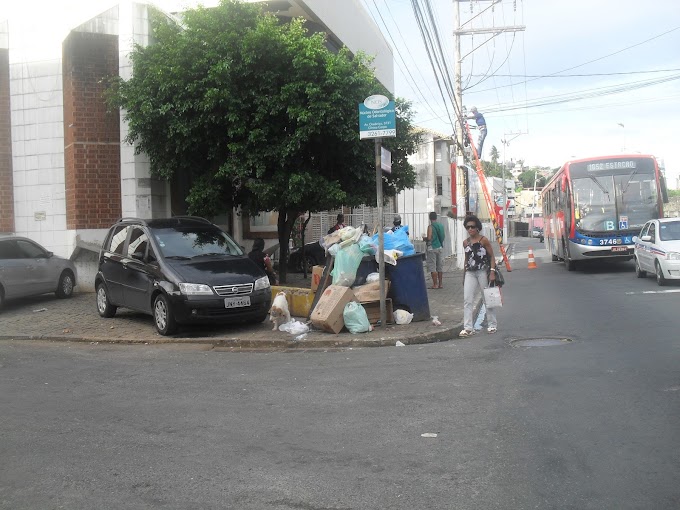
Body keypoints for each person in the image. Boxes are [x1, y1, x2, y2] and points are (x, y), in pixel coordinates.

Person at [460, 214, 497, 337]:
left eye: (472, 227)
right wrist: (464, 275)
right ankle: (468, 328)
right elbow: (466, 259)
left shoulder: (483, 240)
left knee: (487, 298)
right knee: (467, 300)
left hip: (483, 271)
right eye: (468, 227)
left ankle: (492, 324)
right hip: (470, 273)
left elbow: (491, 256)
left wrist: (492, 271)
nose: (470, 229)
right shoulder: (465, 243)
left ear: (477, 228)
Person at [423, 211, 445, 289]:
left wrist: (424, 238)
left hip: (432, 248)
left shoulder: (430, 227)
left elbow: (429, 238)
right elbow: (443, 236)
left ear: (430, 218)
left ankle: (435, 284)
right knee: (439, 266)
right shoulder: (441, 226)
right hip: (439, 247)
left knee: (433, 266)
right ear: (436, 217)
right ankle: (440, 284)